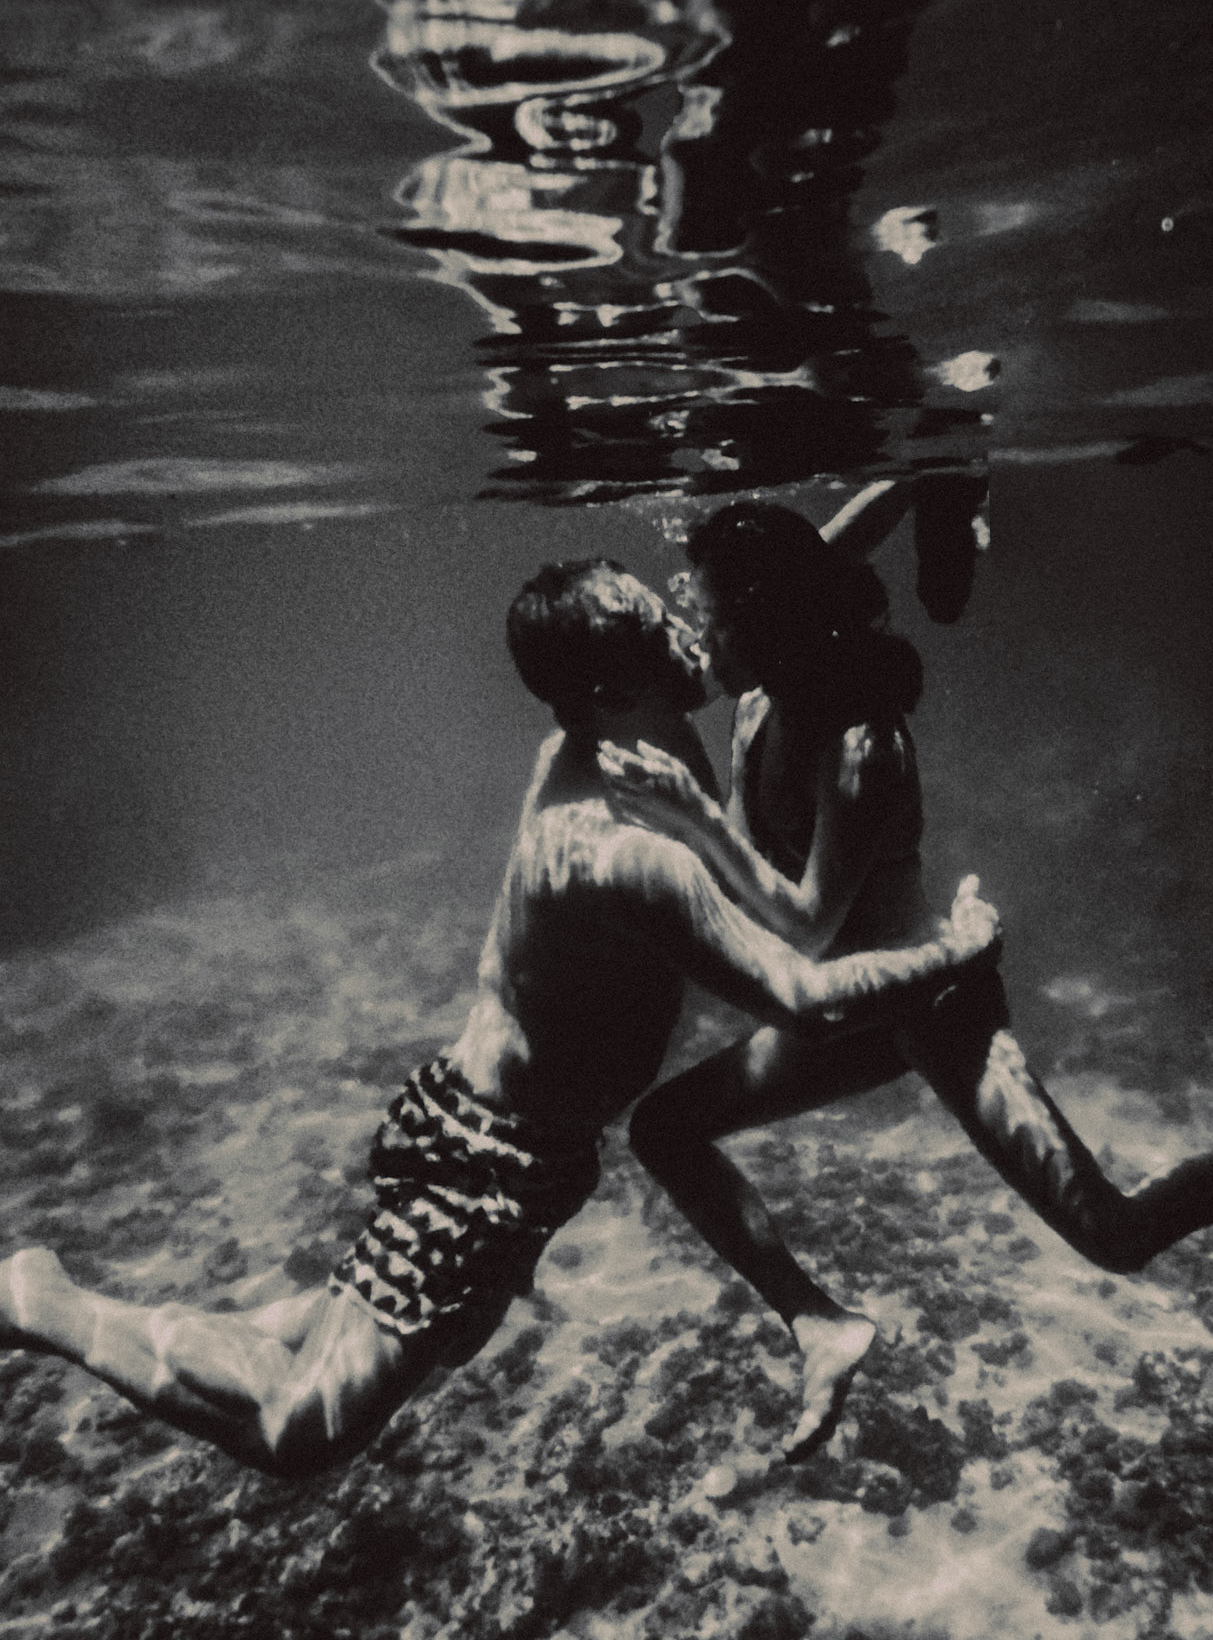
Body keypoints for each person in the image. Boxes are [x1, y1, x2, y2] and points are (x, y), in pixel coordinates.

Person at [0, 559, 1000, 1479]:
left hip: (514, 1146)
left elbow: (786, 584)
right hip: (485, 1156)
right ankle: (42, 1302)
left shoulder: (618, 734)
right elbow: (807, 998)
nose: (695, 631)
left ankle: (106, 1310)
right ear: (613, 687)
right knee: (305, 1426)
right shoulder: (626, 851)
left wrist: (909, 478)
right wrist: (957, 948)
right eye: (662, 627)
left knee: (370, 1331)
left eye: (675, 606)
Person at [602, 483, 1213, 1462]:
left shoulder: (861, 747)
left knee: (1116, 1236)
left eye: (708, 618)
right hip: (844, 1015)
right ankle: (818, 1323)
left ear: (762, 621)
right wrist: (926, 473)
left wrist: (690, 821)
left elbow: (806, 927)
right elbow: (828, 548)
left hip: (934, 1002)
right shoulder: (766, 667)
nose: (694, 638)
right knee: (663, 1127)